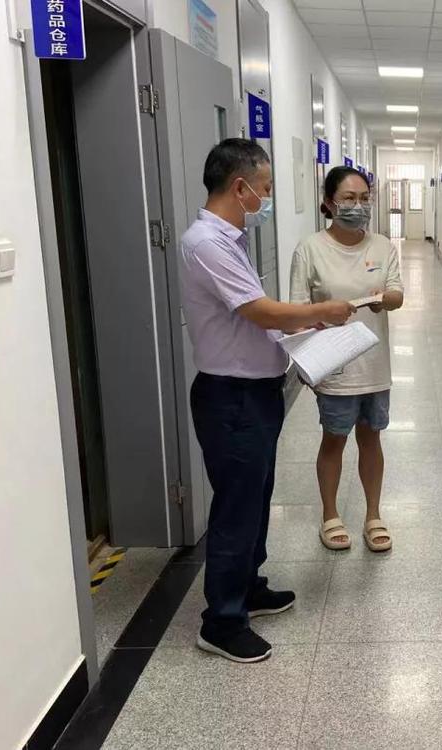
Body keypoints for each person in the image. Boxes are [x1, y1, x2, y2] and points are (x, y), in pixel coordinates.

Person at [180, 139, 354, 663]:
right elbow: (260, 311)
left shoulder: (228, 240)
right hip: (231, 397)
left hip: (254, 393)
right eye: (267, 188)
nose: (268, 198)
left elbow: (253, 318)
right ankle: (222, 622)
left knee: (256, 496)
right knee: (237, 505)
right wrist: (320, 310)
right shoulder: (206, 243)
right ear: (241, 188)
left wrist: (303, 326)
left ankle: (247, 588)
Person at [290, 166, 404, 553]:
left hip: (374, 365)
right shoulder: (310, 248)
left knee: (371, 439)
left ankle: (373, 515)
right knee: (334, 440)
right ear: (329, 202)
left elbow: (396, 293)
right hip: (334, 366)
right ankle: (330, 515)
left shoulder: (382, 246)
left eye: (365, 198)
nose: (359, 206)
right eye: (349, 198)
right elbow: (296, 311)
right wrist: (318, 329)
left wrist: (384, 298)